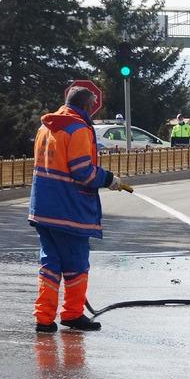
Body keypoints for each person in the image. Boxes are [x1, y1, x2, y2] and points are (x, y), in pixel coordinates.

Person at [29, 86, 127, 333]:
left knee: (50, 264)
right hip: (69, 211)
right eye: (92, 105)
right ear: (86, 106)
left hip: (42, 209)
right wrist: (108, 179)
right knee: (76, 265)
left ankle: (43, 318)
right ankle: (72, 314)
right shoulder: (78, 129)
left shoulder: (46, 127)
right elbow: (83, 171)